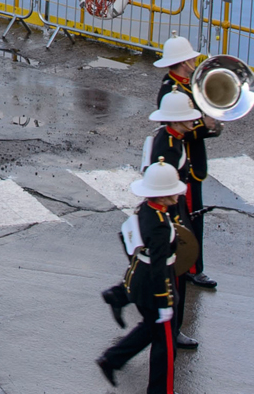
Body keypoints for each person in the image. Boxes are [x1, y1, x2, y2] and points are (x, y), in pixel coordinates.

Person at [97, 161, 184, 392]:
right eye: (171, 192)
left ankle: (112, 359)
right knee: (165, 347)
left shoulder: (147, 209)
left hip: (139, 280)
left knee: (149, 329)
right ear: (161, 195)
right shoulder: (160, 227)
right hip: (155, 287)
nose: (176, 195)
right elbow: (158, 267)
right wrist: (164, 300)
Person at [152, 37, 218, 290]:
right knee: (187, 219)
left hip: (194, 163)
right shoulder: (170, 90)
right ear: (182, 62)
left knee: (194, 217)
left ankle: (191, 265)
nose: (194, 62)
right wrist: (205, 125)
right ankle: (191, 269)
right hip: (184, 166)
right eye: (190, 59)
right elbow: (177, 127)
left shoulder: (188, 84)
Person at [144, 90, 206, 348]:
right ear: (176, 121)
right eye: (188, 119)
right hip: (171, 214)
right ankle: (173, 330)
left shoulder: (173, 139)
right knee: (174, 280)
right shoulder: (168, 147)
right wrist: (175, 227)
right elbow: (165, 192)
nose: (192, 123)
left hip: (176, 210)